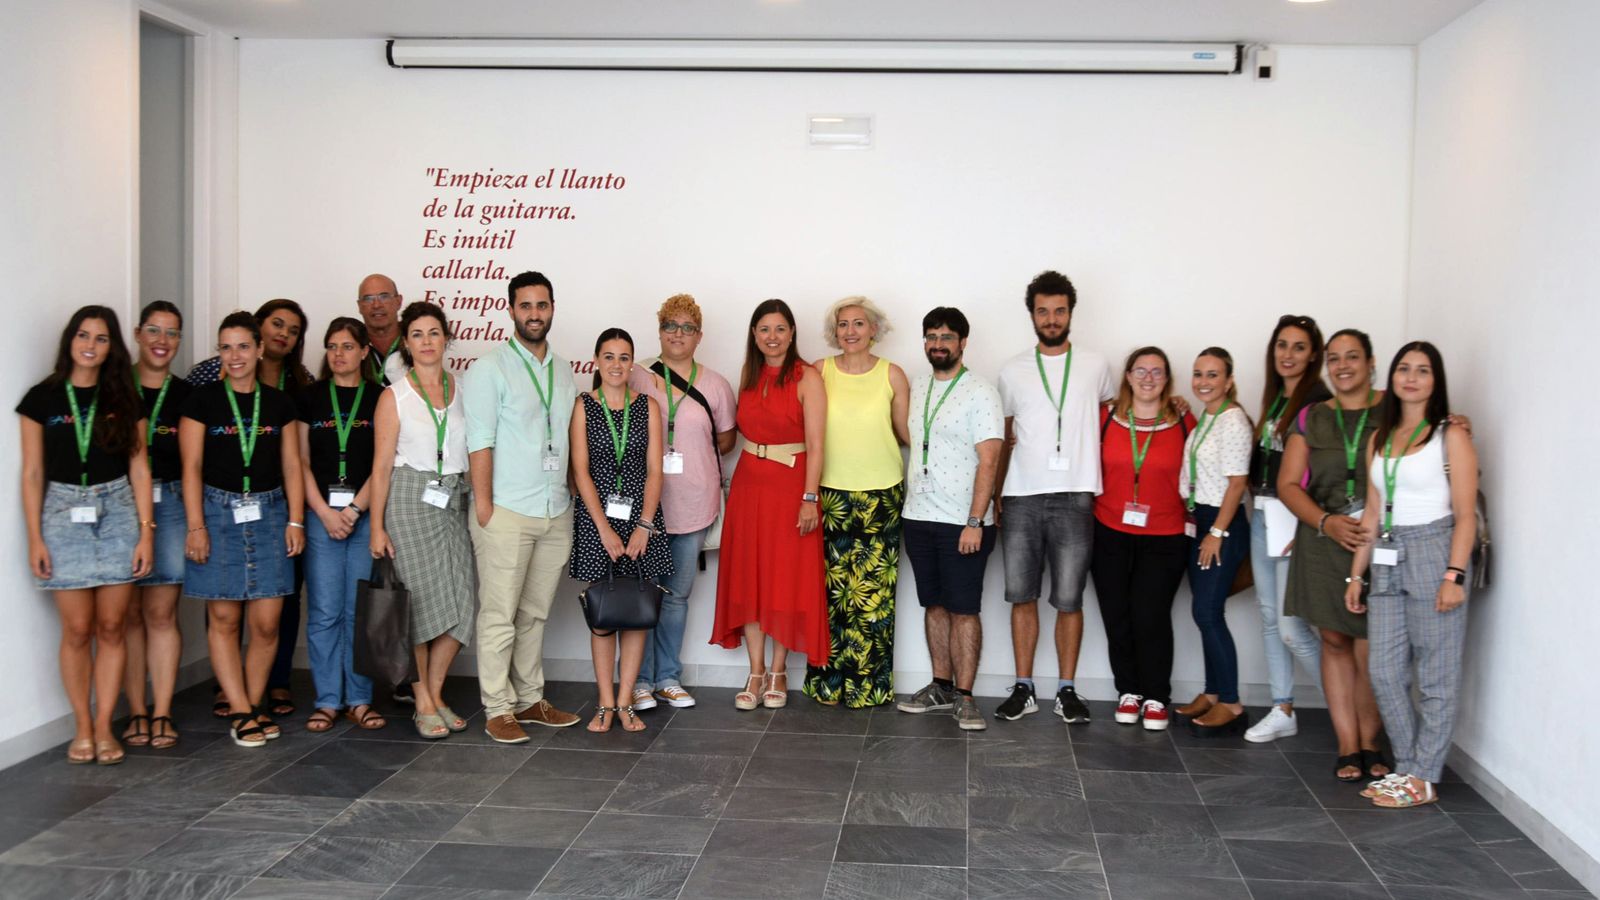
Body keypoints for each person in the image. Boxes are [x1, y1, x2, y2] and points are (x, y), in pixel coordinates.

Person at [19, 306, 155, 765]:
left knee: (113, 627)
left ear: (111, 347)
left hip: (117, 511)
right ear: (70, 340)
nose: (90, 345)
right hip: (61, 510)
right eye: (83, 335)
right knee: (77, 629)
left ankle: (103, 729)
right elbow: (33, 472)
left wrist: (145, 533)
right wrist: (35, 537)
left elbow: (139, 467)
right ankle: (81, 728)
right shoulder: (43, 398)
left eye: (100, 338)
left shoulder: (124, 397)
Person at [1345, 341, 1477, 808]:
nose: (1412, 377)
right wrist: (1356, 576)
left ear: (1435, 380)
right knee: (1383, 670)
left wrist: (1454, 575)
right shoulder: (1380, 439)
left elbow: (1466, 515)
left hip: (1434, 548)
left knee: (1436, 674)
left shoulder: (1450, 436)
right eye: (1404, 368)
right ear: (1392, 377)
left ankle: (1423, 776)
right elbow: (1374, 510)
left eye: (1423, 370)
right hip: (1386, 552)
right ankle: (1406, 767)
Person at [463, 271, 582, 743]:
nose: (535, 313)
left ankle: (530, 699)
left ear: (553, 308)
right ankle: (497, 707)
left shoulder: (564, 369)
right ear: (511, 309)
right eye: (526, 305)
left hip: (555, 509)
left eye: (543, 305)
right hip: (507, 511)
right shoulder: (489, 368)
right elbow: (480, 442)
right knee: (499, 615)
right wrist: (486, 509)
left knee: (534, 614)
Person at [992, 270, 1115, 724]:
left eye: (1059, 310)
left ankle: (1067, 689)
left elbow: (1113, 416)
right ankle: (1023, 687)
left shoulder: (1097, 365)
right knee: (1021, 596)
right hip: (1022, 496)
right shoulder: (1011, 370)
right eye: (1042, 311)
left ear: (1070, 313)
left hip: (1076, 495)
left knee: (1069, 599)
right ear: (1032, 315)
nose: (1051, 318)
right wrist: (997, 495)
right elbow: (1004, 436)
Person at [179, 311, 305, 749]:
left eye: (243, 347)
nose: (235, 356)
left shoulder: (279, 404)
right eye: (226, 347)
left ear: (259, 349)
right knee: (225, 617)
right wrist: (195, 525)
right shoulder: (202, 401)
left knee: (268, 623)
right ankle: (240, 709)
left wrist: (295, 519)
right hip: (216, 511)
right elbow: (190, 467)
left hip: (270, 513)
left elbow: (292, 465)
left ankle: (253, 704)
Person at [1279, 328, 1390, 781]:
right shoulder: (1311, 418)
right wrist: (1325, 522)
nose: (1342, 366)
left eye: (1352, 357)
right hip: (1325, 538)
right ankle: (1347, 745)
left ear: (1370, 361)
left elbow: (1433, 428)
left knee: (1372, 646)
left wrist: (1457, 421)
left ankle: (1371, 741)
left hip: (1381, 540)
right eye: (1335, 358)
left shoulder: (1392, 406)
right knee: (1335, 641)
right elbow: (1287, 484)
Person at [712, 299, 829, 710]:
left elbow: (816, 445)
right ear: (754, 335)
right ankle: (755, 670)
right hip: (749, 486)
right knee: (750, 577)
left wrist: (809, 497)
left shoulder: (807, 376)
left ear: (792, 333)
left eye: (780, 329)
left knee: (783, 578)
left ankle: (779, 670)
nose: (772, 337)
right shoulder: (749, 374)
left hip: (790, 487)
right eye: (764, 329)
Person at [369, 301, 477, 740]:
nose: (427, 341)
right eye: (417, 334)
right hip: (409, 501)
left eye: (434, 333)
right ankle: (425, 700)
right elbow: (380, 468)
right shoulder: (394, 395)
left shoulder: (463, 388)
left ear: (446, 339)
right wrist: (376, 525)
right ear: (406, 343)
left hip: (453, 497)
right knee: (414, 604)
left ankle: (431, 694)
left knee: (462, 601)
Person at [627, 294, 737, 711]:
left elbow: (725, 440)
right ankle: (639, 680)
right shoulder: (636, 376)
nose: (678, 334)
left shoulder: (716, 385)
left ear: (699, 336)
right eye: (670, 326)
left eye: (687, 327)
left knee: (675, 596)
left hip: (693, 504)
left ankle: (668, 677)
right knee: (640, 592)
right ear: (659, 331)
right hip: (645, 507)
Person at [894, 307, 1002, 731]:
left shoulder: (981, 390)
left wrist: (975, 521)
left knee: (964, 609)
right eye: (931, 336)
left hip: (964, 521)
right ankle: (940, 685)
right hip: (918, 516)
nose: (938, 344)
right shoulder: (918, 386)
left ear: (962, 343)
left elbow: (989, 460)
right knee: (934, 605)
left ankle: (966, 696)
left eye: (947, 337)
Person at [806, 296, 911, 708]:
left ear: (873, 330)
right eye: (843, 324)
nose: (850, 331)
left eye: (859, 324)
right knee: (832, 596)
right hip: (830, 495)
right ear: (835, 332)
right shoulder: (819, 371)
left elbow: (906, 435)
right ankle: (829, 685)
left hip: (881, 495)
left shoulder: (893, 375)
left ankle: (869, 687)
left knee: (874, 600)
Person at [570, 329, 674, 732]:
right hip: (598, 519)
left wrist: (644, 525)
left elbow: (654, 469)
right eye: (609, 356)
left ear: (633, 363)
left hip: (640, 520)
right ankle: (605, 703)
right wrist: (603, 530)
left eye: (624, 357)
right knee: (602, 614)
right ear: (596, 361)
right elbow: (580, 471)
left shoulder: (647, 405)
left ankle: (627, 701)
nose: (616, 364)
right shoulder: (584, 405)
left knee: (635, 611)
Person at [1089, 347, 1194, 732]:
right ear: (1128, 375)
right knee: (1116, 614)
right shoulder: (1106, 419)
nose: (1148, 378)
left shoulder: (1183, 420)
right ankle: (1128, 691)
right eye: (1141, 370)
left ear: (1167, 379)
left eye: (1157, 372)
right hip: (1109, 531)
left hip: (1165, 535)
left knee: (1150, 616)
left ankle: (1156, 696)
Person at [1243, 315, 1330, 743]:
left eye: (1298, 347)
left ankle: (1351, 705)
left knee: (1293, 626)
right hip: (1263, 515)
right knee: (1269, 618)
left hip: (1294, 519)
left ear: (1313, 354)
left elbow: (1329, 469)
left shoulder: (1318, 402)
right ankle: (1283, 708)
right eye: (1282, 345)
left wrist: (1310, 523)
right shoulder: (1277, 399)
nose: (1288, 355)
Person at [297, 318, 385, 733]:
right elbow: (299, 463)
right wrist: (325, 512)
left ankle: (360, 699)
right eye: (332, 346)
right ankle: (328, 699)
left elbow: (384, 465)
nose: (339, 354)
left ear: (365, 351)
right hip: (321, 518)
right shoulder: (310, 398)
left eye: (348, 346)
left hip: (364, 518)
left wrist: (352, 510)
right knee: (324, 612)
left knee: (359, 611)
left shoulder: (380, 398)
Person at [122, 301, 193, 751]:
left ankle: (162, 710)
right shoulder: (115, 388)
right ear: (137, 333)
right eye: (153, 330)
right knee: (126, 616)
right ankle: (136, 712)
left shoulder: (187, 396)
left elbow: (193, 463)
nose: (161, 341)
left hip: (170, 505)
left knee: (161, 614)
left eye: (171, 333)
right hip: (118, 506)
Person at [1176, 348, 1255, 736]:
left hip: (1220, 524)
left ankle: (1231, 701)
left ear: (1228, 380)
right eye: (1198, 374)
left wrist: (1217, 534)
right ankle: (1211, 692)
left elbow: (1237, 482)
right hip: (1200, 519)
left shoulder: (1233, 420)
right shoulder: (1206, 419)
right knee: (1203, 612)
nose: (1203, 382)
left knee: (1208, 612)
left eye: (1212, 375)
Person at [356, 273, 409, 386]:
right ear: (359, 306)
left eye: (384, 296)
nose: (376, 305)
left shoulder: (416, 341)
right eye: (368, 299)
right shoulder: (352, 346)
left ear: (398, 301)